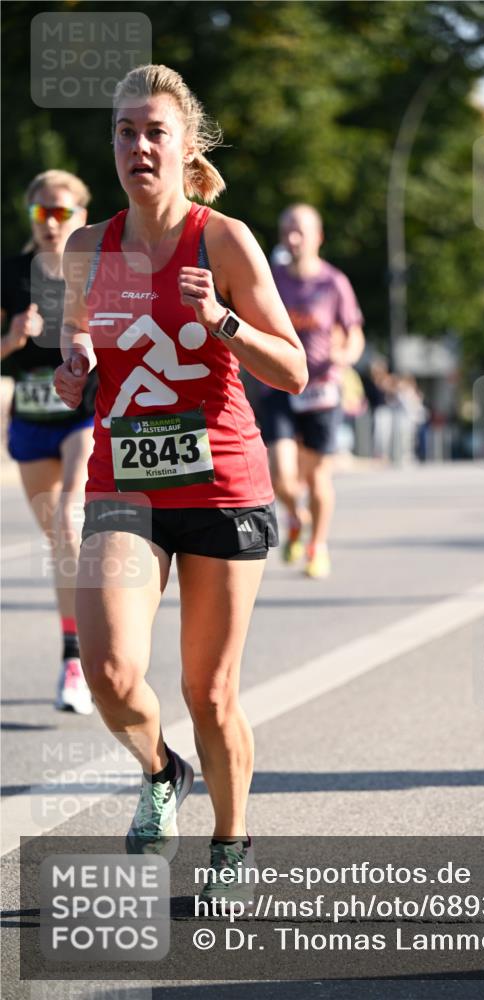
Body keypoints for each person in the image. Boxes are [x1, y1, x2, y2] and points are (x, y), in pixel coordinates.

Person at [53, 65, 307, 887]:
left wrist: (221, 320)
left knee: (211, 693)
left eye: (154, 131)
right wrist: (73, 370)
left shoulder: (223, 240)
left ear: (185, 144)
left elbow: (294, 370)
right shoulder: (87, 250)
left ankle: (232, 847)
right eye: (125, 132)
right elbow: (79, 351)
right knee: (111, 672)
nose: (138, 147)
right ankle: (162, 771)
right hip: (124, 480)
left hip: (221, 486)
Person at [1, 170, 96, 714]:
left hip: (81, 418)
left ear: (81, 217)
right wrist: (11, 341)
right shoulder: (10, 274)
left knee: (68, 520)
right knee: (63, 545)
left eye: (63, 213)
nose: (52, 223)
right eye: (43, 213)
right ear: (31, 216)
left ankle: (74, 663)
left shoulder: (95, 273)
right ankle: (81, 638)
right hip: (32, 423)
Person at [261, 204, 365, 578]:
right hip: (278, 384)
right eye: (286, 230)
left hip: (322, 387)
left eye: (300, 230)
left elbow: (354, 334)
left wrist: (345, 355)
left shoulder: (333, 282)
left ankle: (316, 546)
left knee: (318, 475)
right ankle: (296, 514)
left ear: (317, 237)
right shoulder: (270, 278)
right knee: (281, 475)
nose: (292, 237)